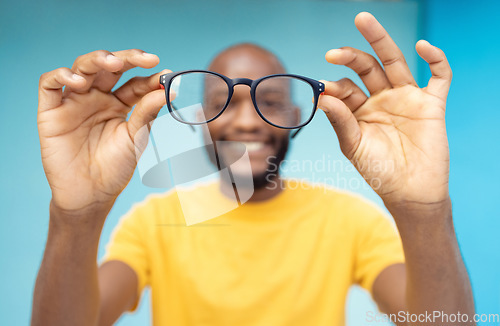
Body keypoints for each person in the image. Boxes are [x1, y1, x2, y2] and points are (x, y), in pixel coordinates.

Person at [32, 12, 474, 326]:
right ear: (199, 120)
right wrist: (76, 217)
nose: (246, 121)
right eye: (222, 103)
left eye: (271, 101)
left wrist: (424, 212)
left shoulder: (349, 220)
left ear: (298, 117)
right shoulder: (154, 224)